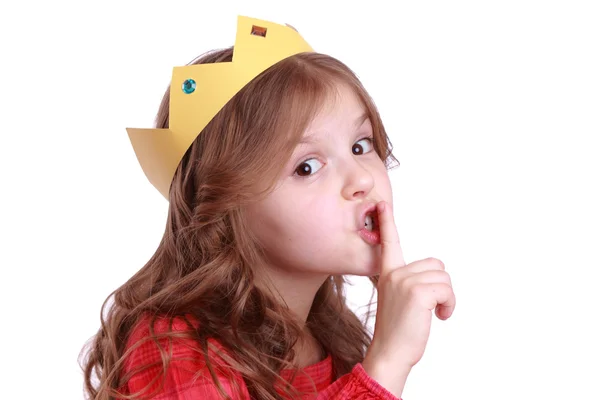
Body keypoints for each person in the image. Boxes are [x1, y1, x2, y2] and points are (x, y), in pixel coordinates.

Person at [79, 16, 456, 400]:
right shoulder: (176, 350)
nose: (362, 179)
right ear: (225, 211)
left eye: (361, 145)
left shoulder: (327, 336)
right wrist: (387, 363)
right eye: (307, 167)